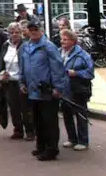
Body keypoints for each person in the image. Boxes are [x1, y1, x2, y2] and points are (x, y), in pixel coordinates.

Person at [20, 20, 68, 161]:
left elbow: (58, 68)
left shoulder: (49, 47)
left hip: (47, 90)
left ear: (41, 30)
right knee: (37, 120)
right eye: (31, 29)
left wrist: (58, 88)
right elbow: (23, 66)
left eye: (36, 29)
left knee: (49, 122)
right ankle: (41, 146)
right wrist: (22, 82)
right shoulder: (26, 46)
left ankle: (51, 149)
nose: (33, 31)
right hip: (32, 90)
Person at [59, 29, 94, 152]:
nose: (62, 41)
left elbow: (90, 73)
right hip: (64, 90)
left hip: (78, 89)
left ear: (73, 41)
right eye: (61, 39)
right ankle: (72, 138)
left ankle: (83, 141)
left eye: (65, 39)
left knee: (80, 115)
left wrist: (77, 73)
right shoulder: (59, 53)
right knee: (67, 115)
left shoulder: (83, 55)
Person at [0, 22, 34, 140]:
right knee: (13, 107)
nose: (14, 35)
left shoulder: (26, 45)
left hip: (22, 81)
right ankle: (18, 130)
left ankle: (30, 131)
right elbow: (2, 62)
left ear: (21, 33)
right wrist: (1, 74)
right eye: (12, 32)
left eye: (17, 32)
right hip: (9, 81)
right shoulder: (5, 45)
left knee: (25, 107)